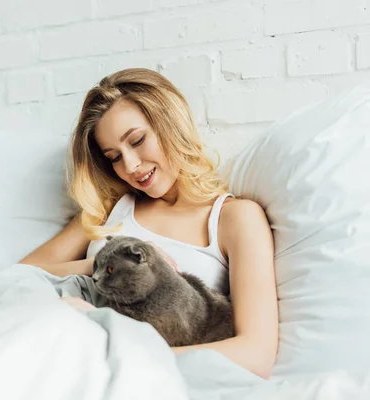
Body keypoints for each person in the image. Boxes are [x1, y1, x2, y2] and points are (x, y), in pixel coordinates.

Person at [19, 68, 278, 379]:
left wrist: (124, 354)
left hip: (131, 373)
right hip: (55, 351)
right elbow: (19, 277)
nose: (129, 166)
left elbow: (256, 354)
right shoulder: (109, 208)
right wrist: (106, 268)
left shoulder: (234, 219)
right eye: (114, 156)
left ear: (170, 123)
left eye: (138, 140)